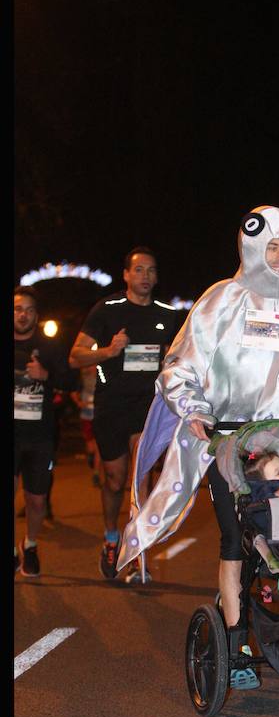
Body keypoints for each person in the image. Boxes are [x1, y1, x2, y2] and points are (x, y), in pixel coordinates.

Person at [116, 206, 279, 685]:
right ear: (253, 248)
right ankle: (235, 640)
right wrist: (196, 409)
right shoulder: (222, 300)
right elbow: (179, 367)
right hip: (228, 440)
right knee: (236, 538)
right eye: (273, 247)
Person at [69, 246, 178, 582]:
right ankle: (111, 537)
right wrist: (108, 350)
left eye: (151, 271)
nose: (146, 277)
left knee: (138, 478)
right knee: (115, 479)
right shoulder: (107, 310)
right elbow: (75, 357)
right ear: (127, 275)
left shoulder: (168, 314)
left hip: (147, 408)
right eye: (139, 270)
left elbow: (180, 359)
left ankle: (136, 551)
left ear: (157, 277)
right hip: (111, 407)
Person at [14, 287, 71, 577]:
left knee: (36, 499)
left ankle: (31, 544)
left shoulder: (49, 347)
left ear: (36, 315)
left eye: (28, 309)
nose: (22, 314)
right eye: (17, 308)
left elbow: (70, 380)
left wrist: (45, 376)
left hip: (40, 435)